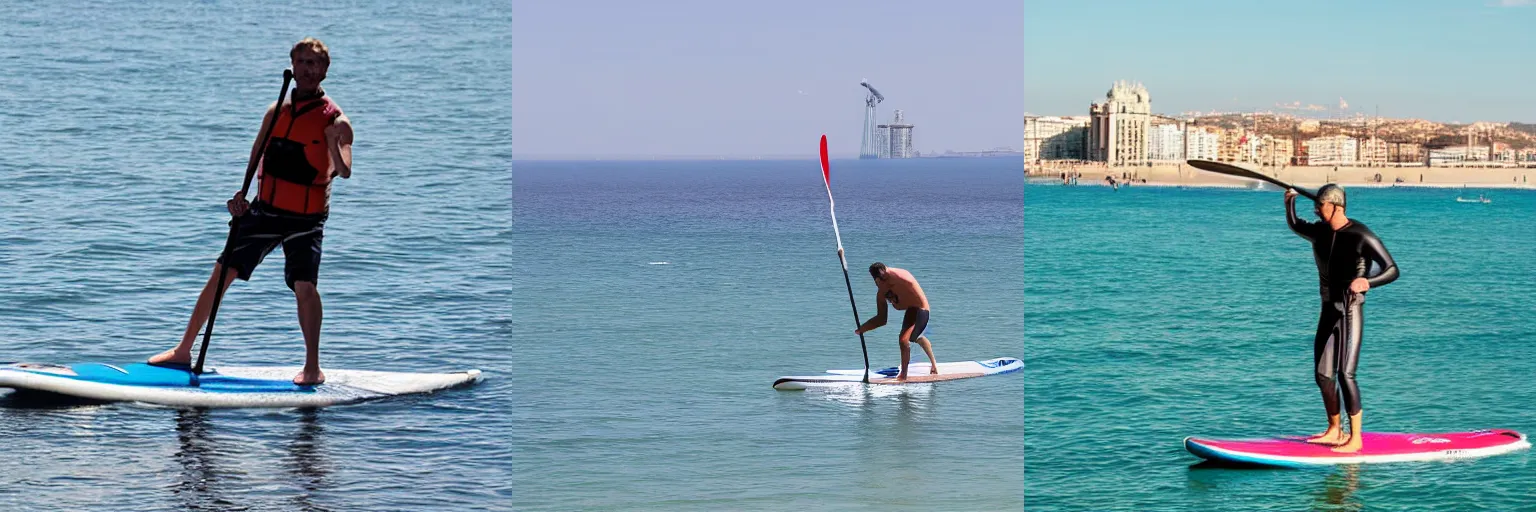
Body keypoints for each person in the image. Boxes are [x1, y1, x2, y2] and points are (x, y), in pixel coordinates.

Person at [149, 38, 354, 385]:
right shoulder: (277, 111)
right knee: (220, 274)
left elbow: (343, 170)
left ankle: (312, 368)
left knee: (304, 286)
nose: (308, 69)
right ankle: (183, 350)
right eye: (302, 62)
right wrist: (240, 198)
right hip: (265, 209)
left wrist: (334, 141)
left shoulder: (336, 119)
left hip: (306, 218)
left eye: (315, 64)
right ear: (293, 65)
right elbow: (257, 155)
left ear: (325, 71)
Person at [1285, 184, 1398, 453]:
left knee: (1345, 374)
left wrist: (1367, 282)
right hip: (1328, 309)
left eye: (1320, 205)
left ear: (1335, 205)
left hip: (1349, 310)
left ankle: (1355, 438)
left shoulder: (1361, 235)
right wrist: (1289, 201)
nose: (1315, 209)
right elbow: (1294, 224)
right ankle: (1335, 430)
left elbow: (1392, 269)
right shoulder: (1320, 233)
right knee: (1323, 375)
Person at [842, 250, 939, 381]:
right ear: (876, 281)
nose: (885, 282)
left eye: (886, 277)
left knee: (904, 340)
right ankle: (930, 359)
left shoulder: (903, 278)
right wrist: (862, 329)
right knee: (913, 337)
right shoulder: (881, 293)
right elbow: (881, 319)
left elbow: (920, 302)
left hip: (921, 309)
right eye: (880, 280)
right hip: (911, 310)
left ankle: (903, 376)